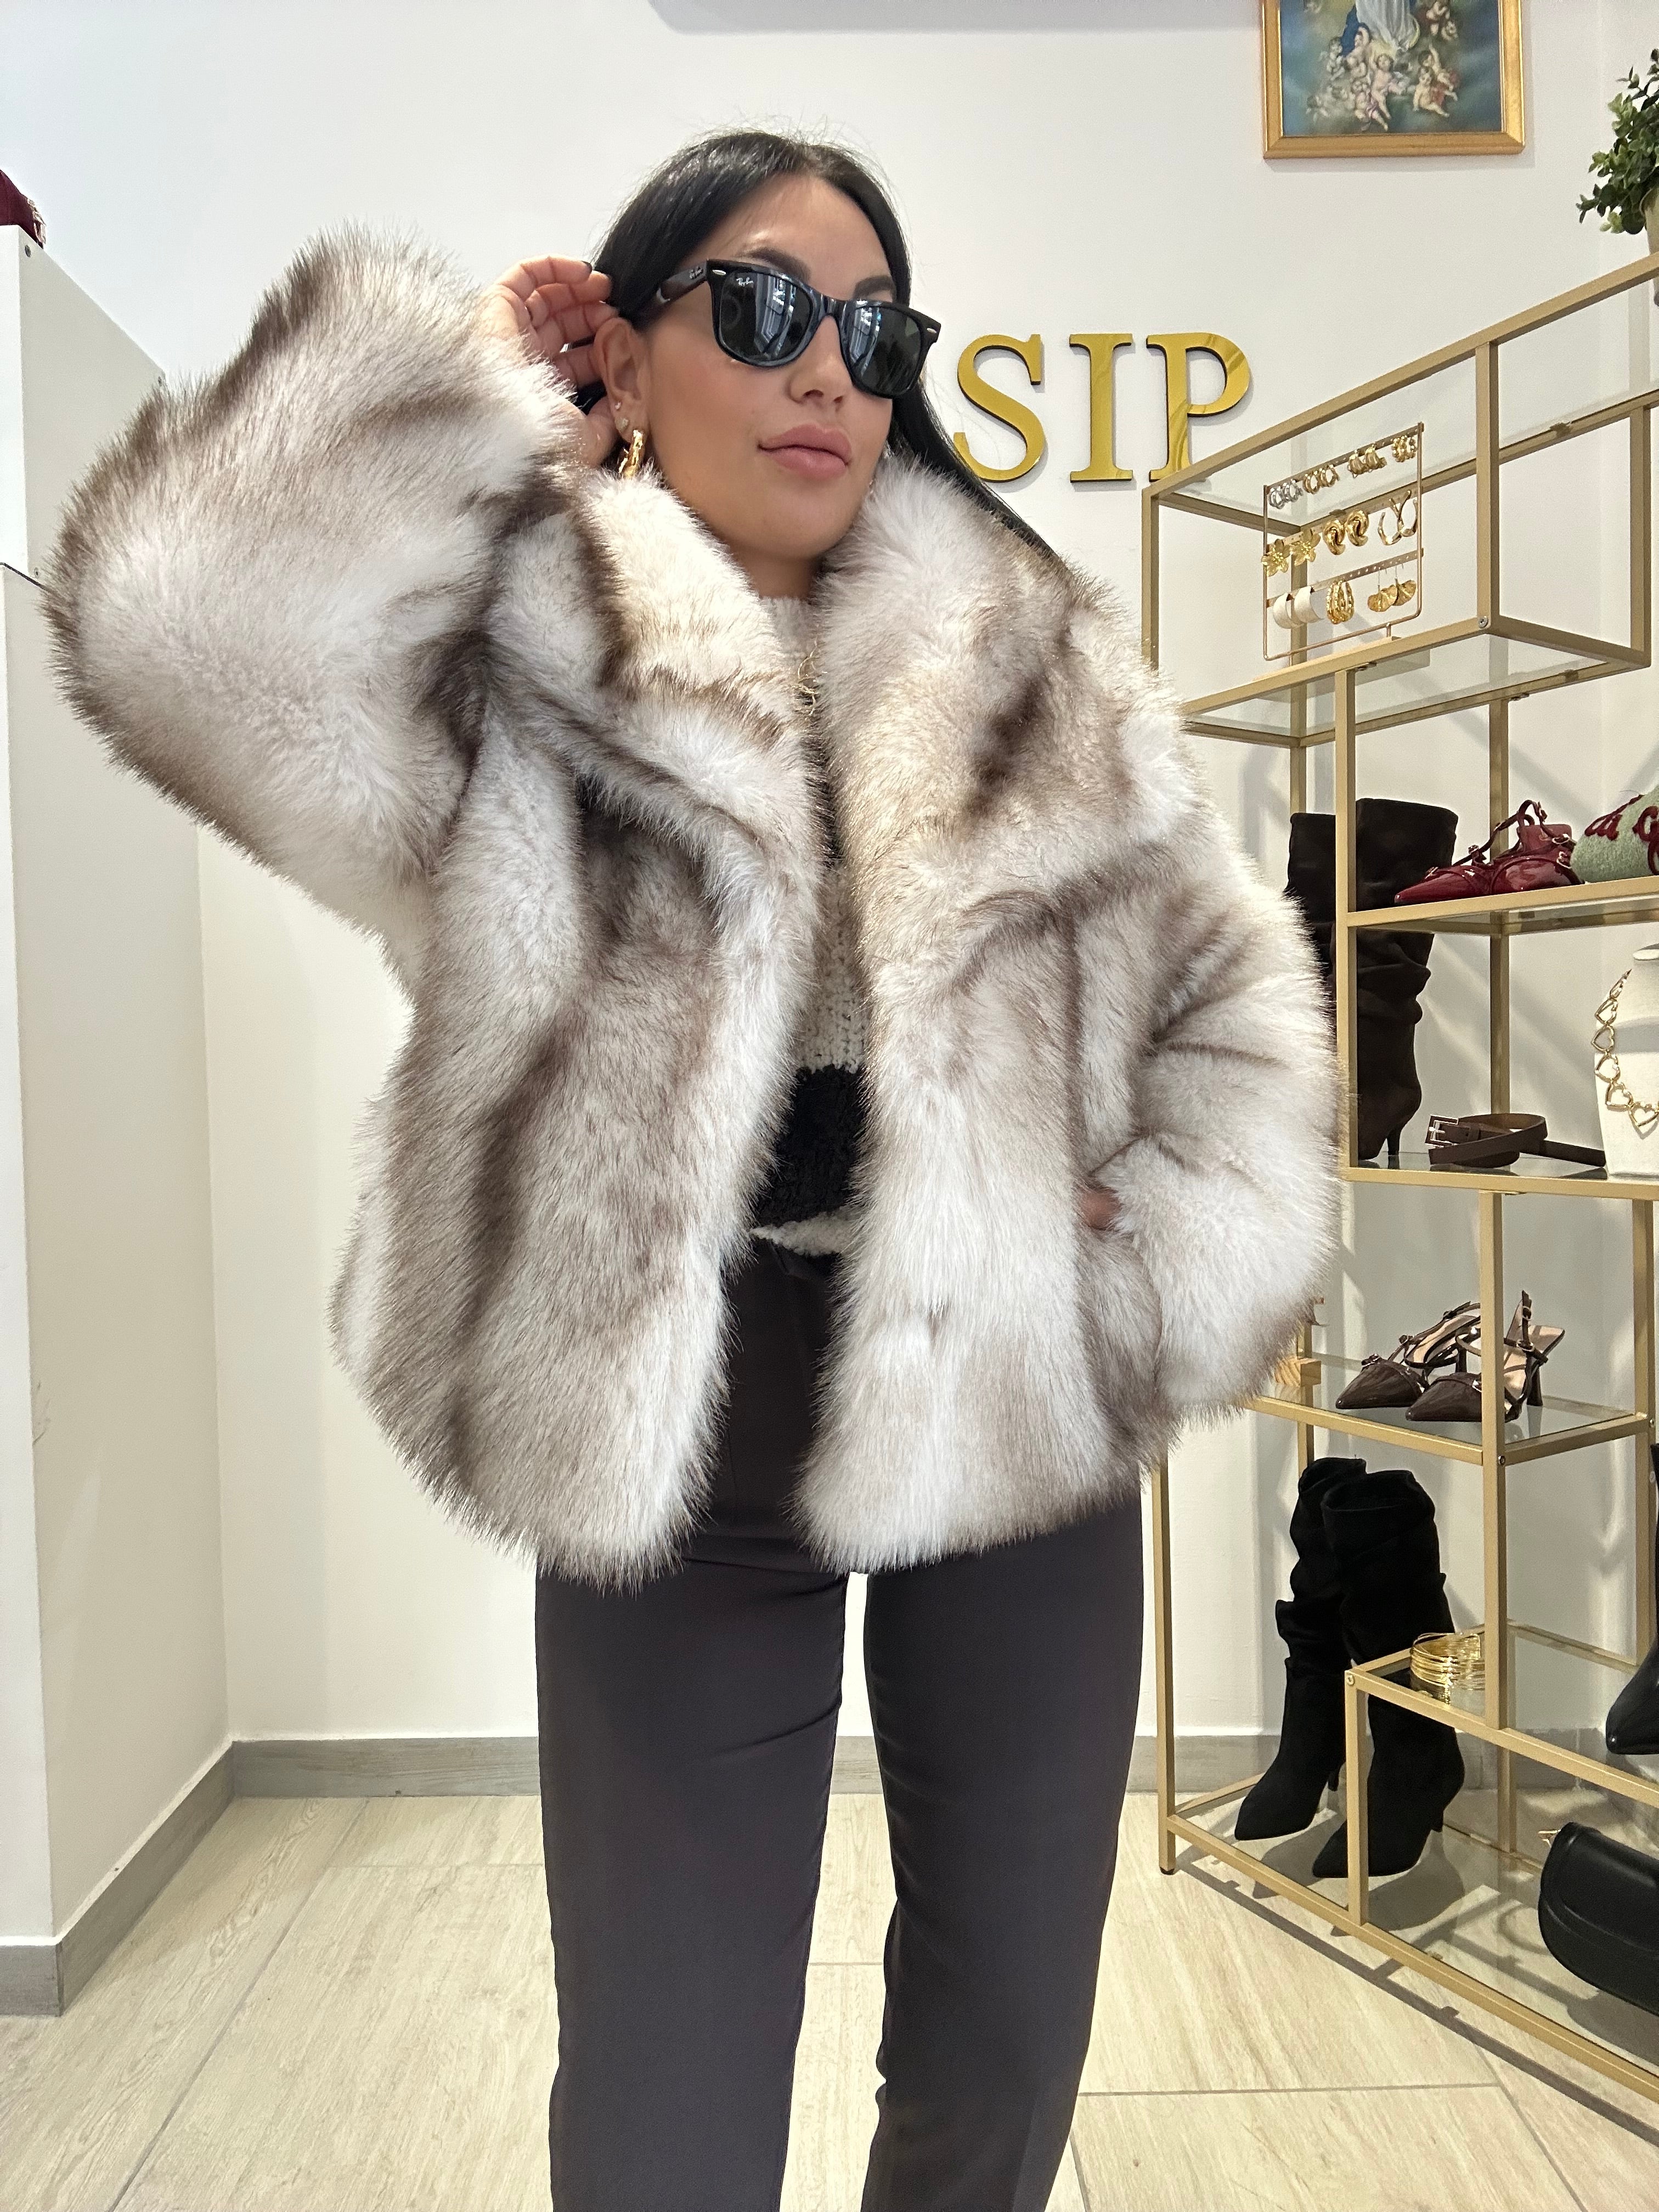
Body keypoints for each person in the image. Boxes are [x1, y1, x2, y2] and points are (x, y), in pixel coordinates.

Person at [43, 127, 1335, 2212]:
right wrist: (468, 411)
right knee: (668, 2084)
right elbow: (174, 639)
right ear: (628, 354)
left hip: (1006, 1377)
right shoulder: (515, 661)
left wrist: (1157, 1226)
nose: (828, 366)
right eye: (761, 306)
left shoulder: (1034, 662)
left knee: (1012, 2027)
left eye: (876, 331)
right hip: (675, 1404)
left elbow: (1232, 1000)